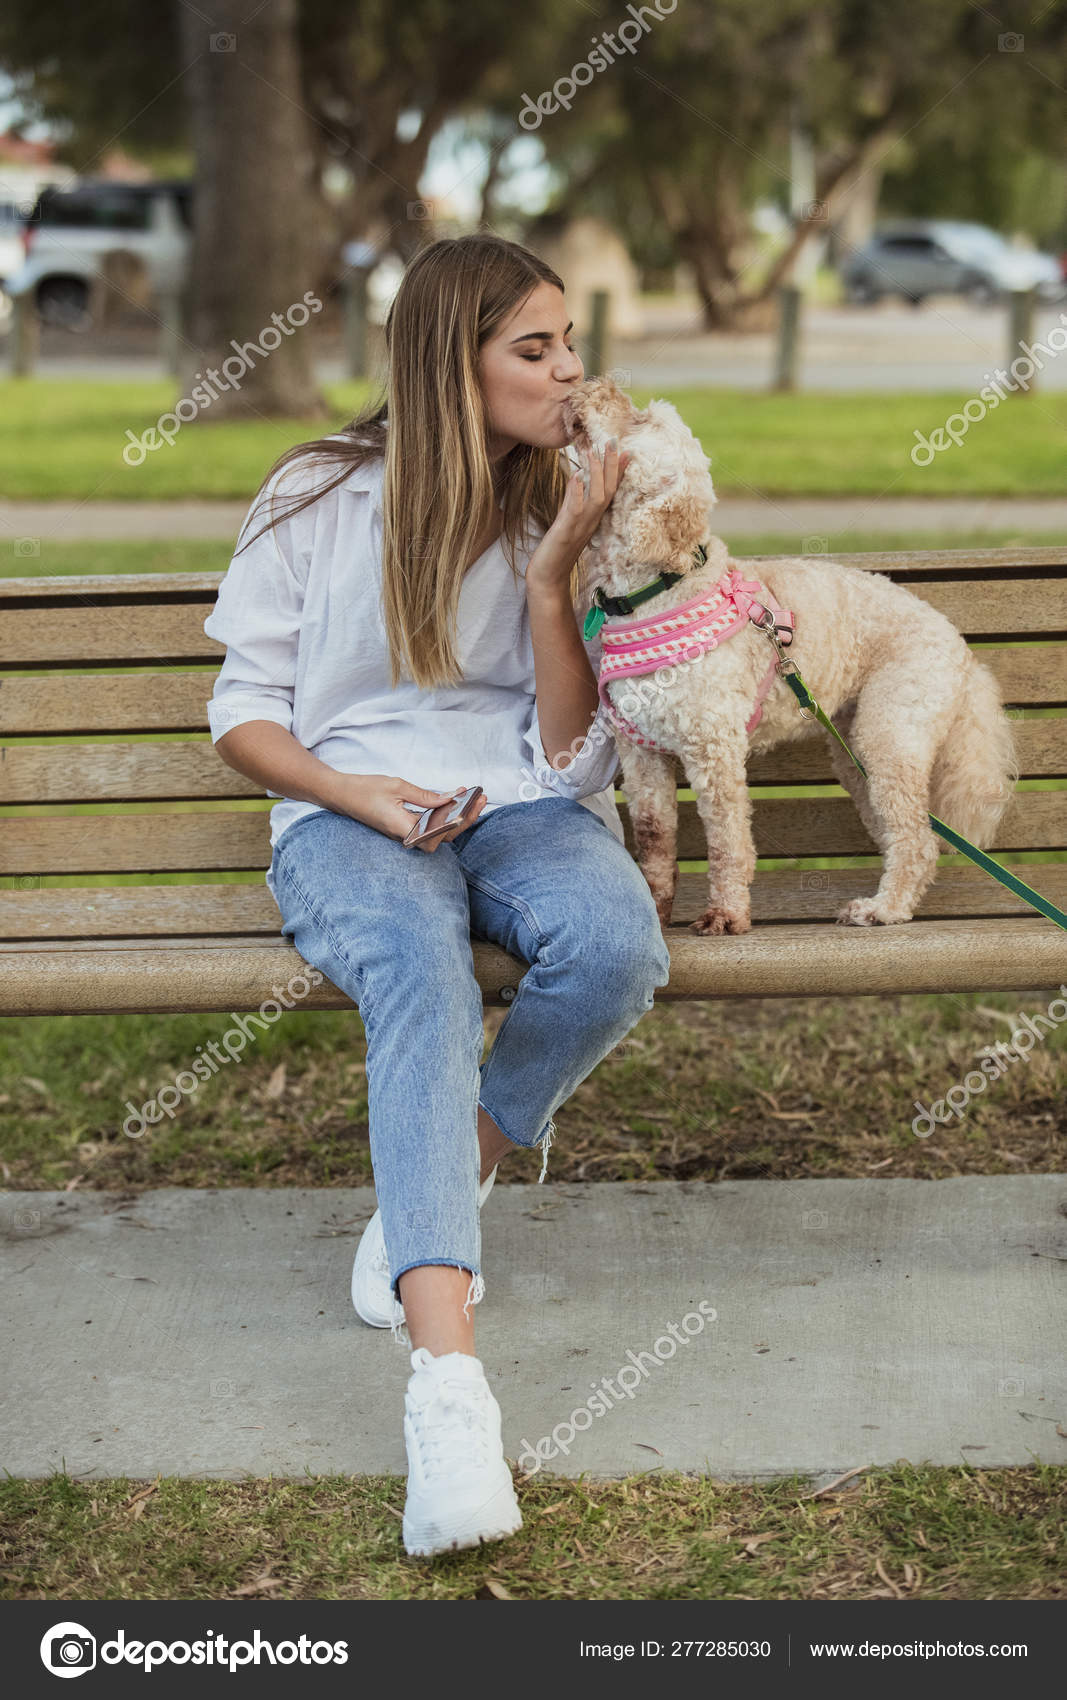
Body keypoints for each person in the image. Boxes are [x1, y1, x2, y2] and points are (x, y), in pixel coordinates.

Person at [203, 233, 672, 1558]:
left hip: (516, 805)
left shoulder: (558, 504)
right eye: (536, 348)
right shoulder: (316, 492)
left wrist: (553, 571)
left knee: (615, 948)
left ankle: (442, 1183)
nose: (570, 371)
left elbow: (570, 760)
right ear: (447, 362)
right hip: (348, 812)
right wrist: (361, 797)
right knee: (416, 970)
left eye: (571, 343)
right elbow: (242, 713)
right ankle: (449, 1391)